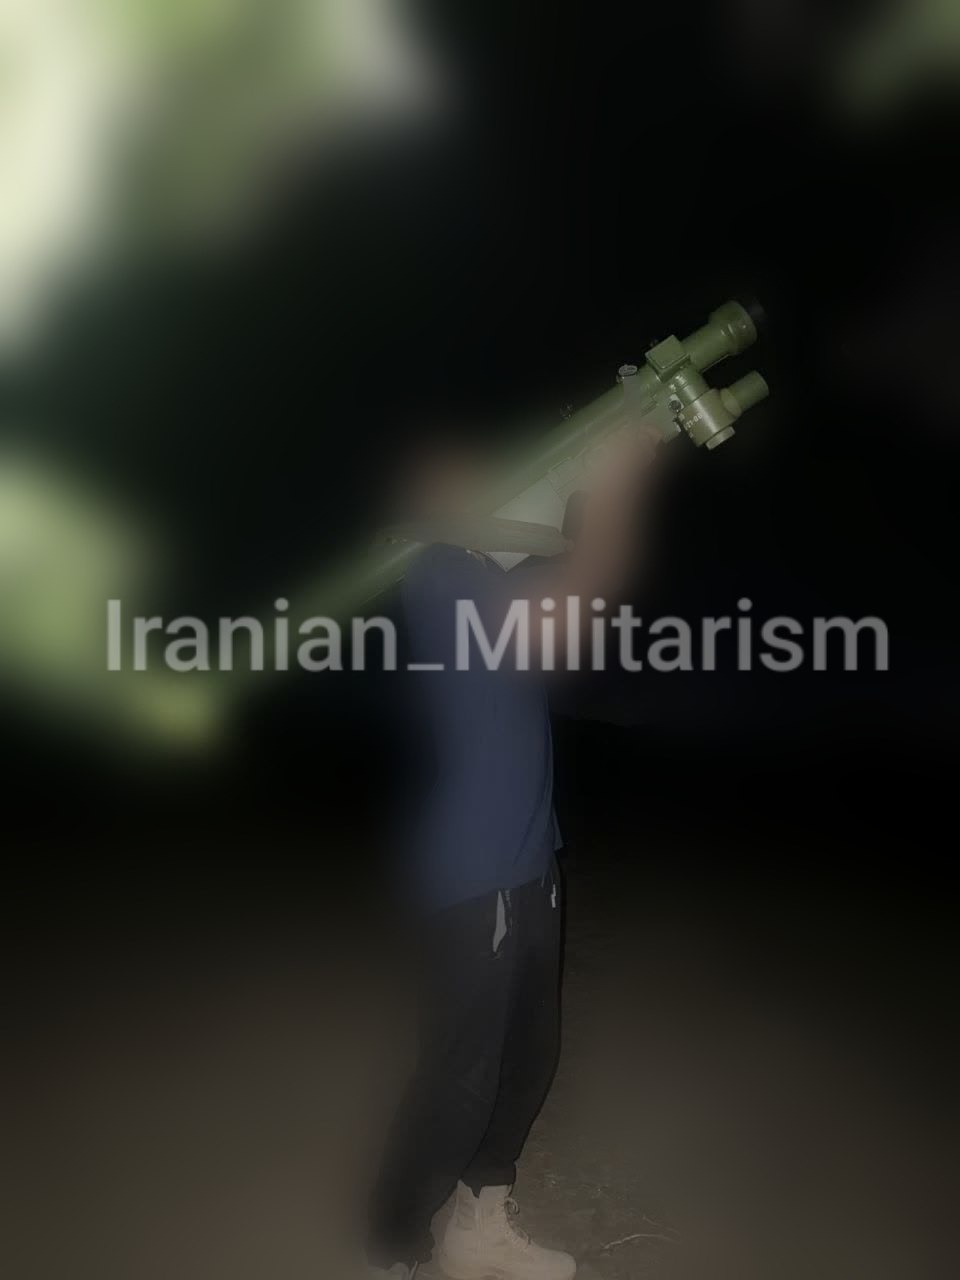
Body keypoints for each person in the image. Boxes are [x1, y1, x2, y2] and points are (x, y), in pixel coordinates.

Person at [367, 428, 661, 1279]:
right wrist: (613, 489)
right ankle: (390, 1249)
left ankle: (478, 1227)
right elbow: (577, 603)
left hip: (533, 858)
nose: (483, 479)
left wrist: (575, 474)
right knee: (462, 1080)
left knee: (530, 1061)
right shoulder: (438, 571)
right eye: (454, 474)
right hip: (476, 865)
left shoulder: (485, 573)